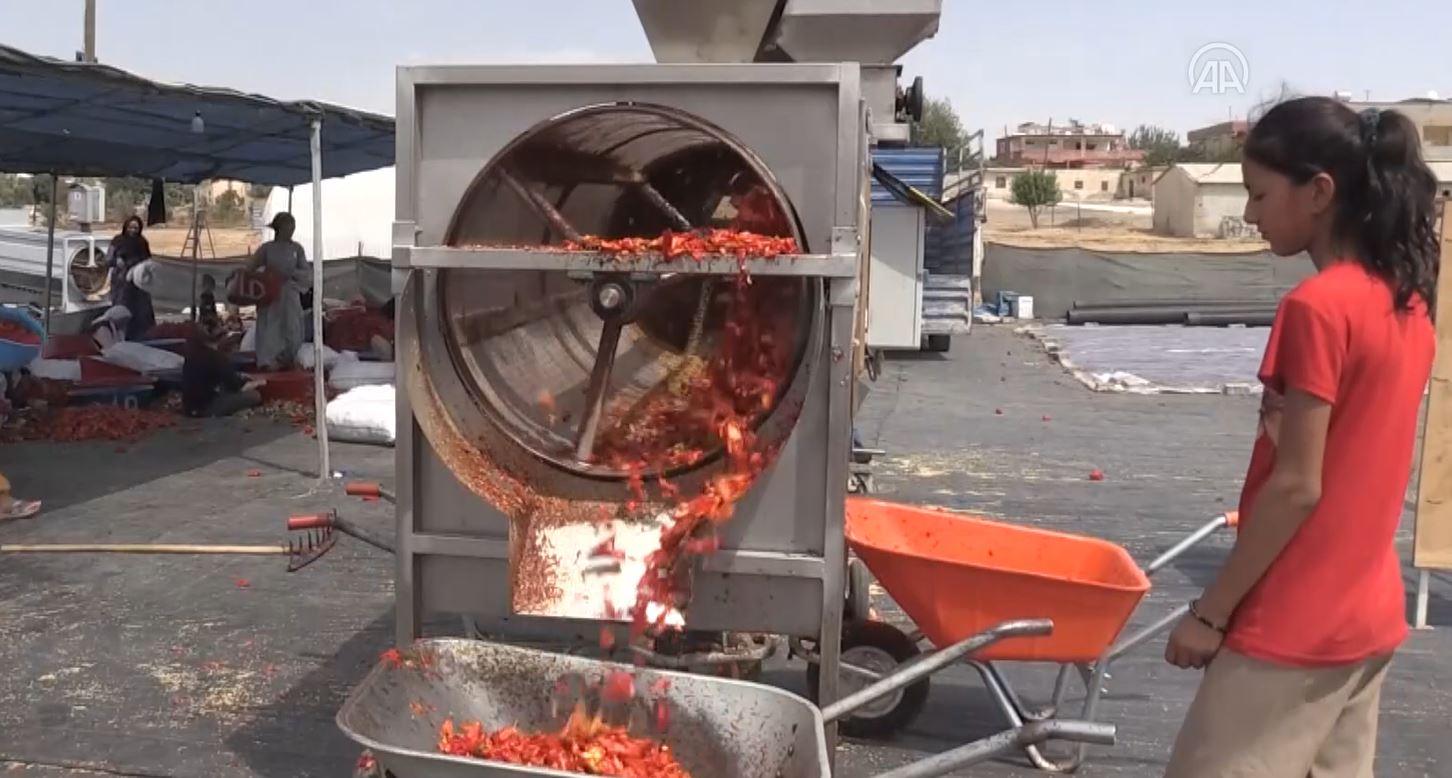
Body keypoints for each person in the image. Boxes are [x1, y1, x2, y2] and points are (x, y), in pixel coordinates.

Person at [1163, 97, 1438, 777]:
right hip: (1367, 618)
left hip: (1292, 625)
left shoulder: (1316, 309)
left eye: (1259, 194)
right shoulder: (1406, 303)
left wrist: (1210, 613)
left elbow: (1296, 486)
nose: (1251, 214)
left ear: (1320, 192)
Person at [246, 212, 312, 371]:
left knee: (293, 329)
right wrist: (266, 274)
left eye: (293, 226)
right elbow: (250, 268)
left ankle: (287, 359)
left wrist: (292, 273)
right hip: (270, 295)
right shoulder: (267, 249)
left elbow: (306, 273)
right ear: (279, 228)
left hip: (290, 294)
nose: (291, 230)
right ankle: (267, 363)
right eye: (288, 226)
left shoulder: (297, 249)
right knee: (270, 329)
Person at [181, 329, 265, 418]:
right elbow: (236, 387)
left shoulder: (193, 355)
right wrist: (256, 383)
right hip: (206, 409)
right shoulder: (217, 358)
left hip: (189, 407)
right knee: (254, 395)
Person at [106, 215, 156, 340]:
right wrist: (116, 261)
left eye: (136, 228)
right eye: (131, 227)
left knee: (141, 310)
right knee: (121, 309)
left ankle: (142, 337)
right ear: (126, 227)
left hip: (138, 281)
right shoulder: (117, 241)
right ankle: (119, 336)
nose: (133, 230)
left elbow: (148, 260)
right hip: (121, 281)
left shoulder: (142, 242)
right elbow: (108, 259)